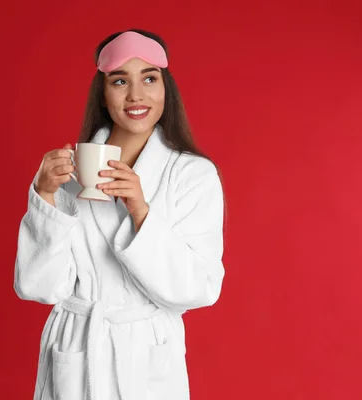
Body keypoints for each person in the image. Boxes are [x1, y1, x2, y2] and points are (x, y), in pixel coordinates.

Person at [14, 29, 226, 400]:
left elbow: (200, 288)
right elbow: (40, 287)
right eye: (119, 81)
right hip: (78, 350)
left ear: (165, 89)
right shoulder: (70, 173)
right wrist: (44, 196)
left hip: (148, 358)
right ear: (103, 91)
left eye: (149, 78)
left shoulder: (192, 175)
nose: (136, 95)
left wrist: (141, 213)